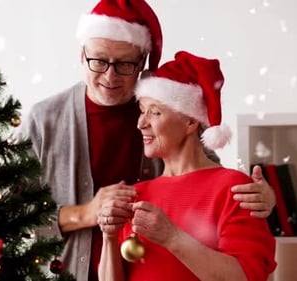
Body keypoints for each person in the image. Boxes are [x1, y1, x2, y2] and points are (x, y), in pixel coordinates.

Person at [21, 0, 276, 280]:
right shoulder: (43, 120)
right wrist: (88, 214)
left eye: (124, 64)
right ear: (81, 55)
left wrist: (262, 198)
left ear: (142, 63)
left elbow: (205, 177)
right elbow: (10, 217)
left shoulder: (165, 106)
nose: (110, 75)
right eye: (99, 60)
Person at [98, 51, 277, 281]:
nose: (141, 123)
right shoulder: (138, 195)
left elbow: (245, 277)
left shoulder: (234, 188)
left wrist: (172, 237)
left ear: (191, 121)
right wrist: (109, 237)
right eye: (142, 111)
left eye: (155, 112)